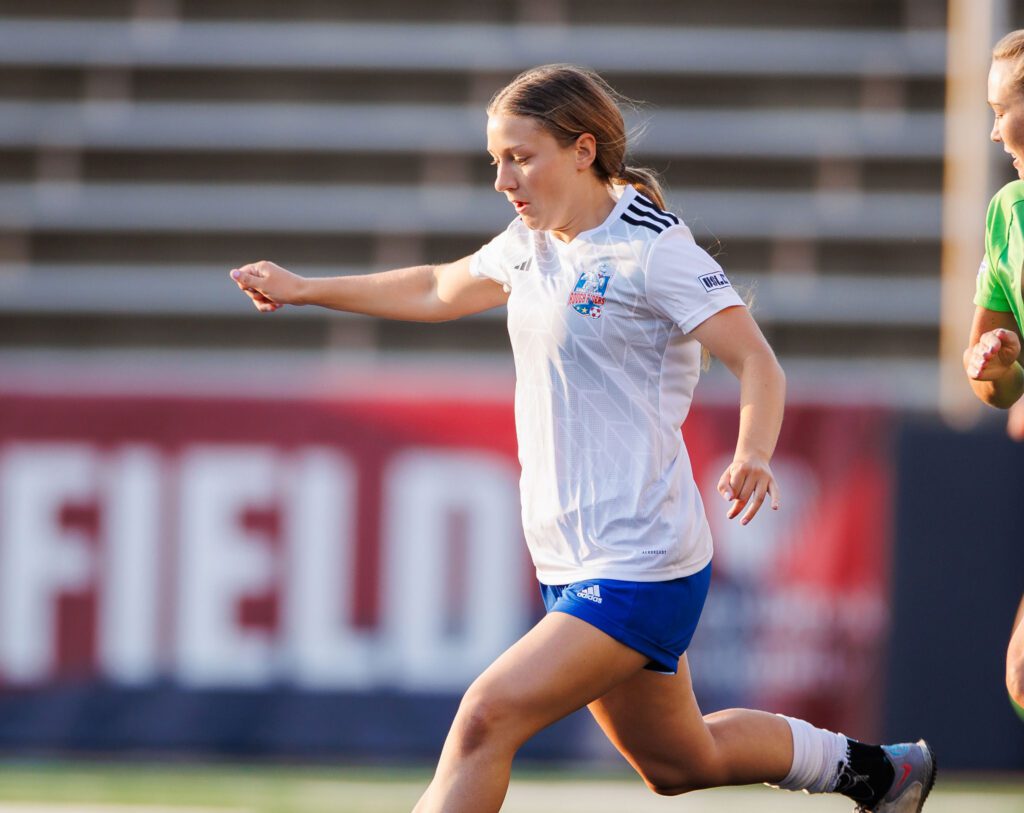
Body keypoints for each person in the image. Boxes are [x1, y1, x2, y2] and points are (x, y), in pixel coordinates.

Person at [230, 64, 935, 813]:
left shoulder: (653, 248)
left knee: (485, 717)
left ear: (583, 150)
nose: (503, 179)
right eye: (496, 159)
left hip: (642, 559)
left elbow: (757, 362)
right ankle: (881, 773)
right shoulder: (529, 243)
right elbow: (438, 287)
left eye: (520, 157)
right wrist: (306, 288)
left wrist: (752, 451)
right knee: (678, 760)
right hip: (570, 558)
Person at [965, 29, 1024, 723]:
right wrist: (995, 365)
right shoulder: (1009, 212)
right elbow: (993, 384)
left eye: (1001, 109)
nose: (992, 130)